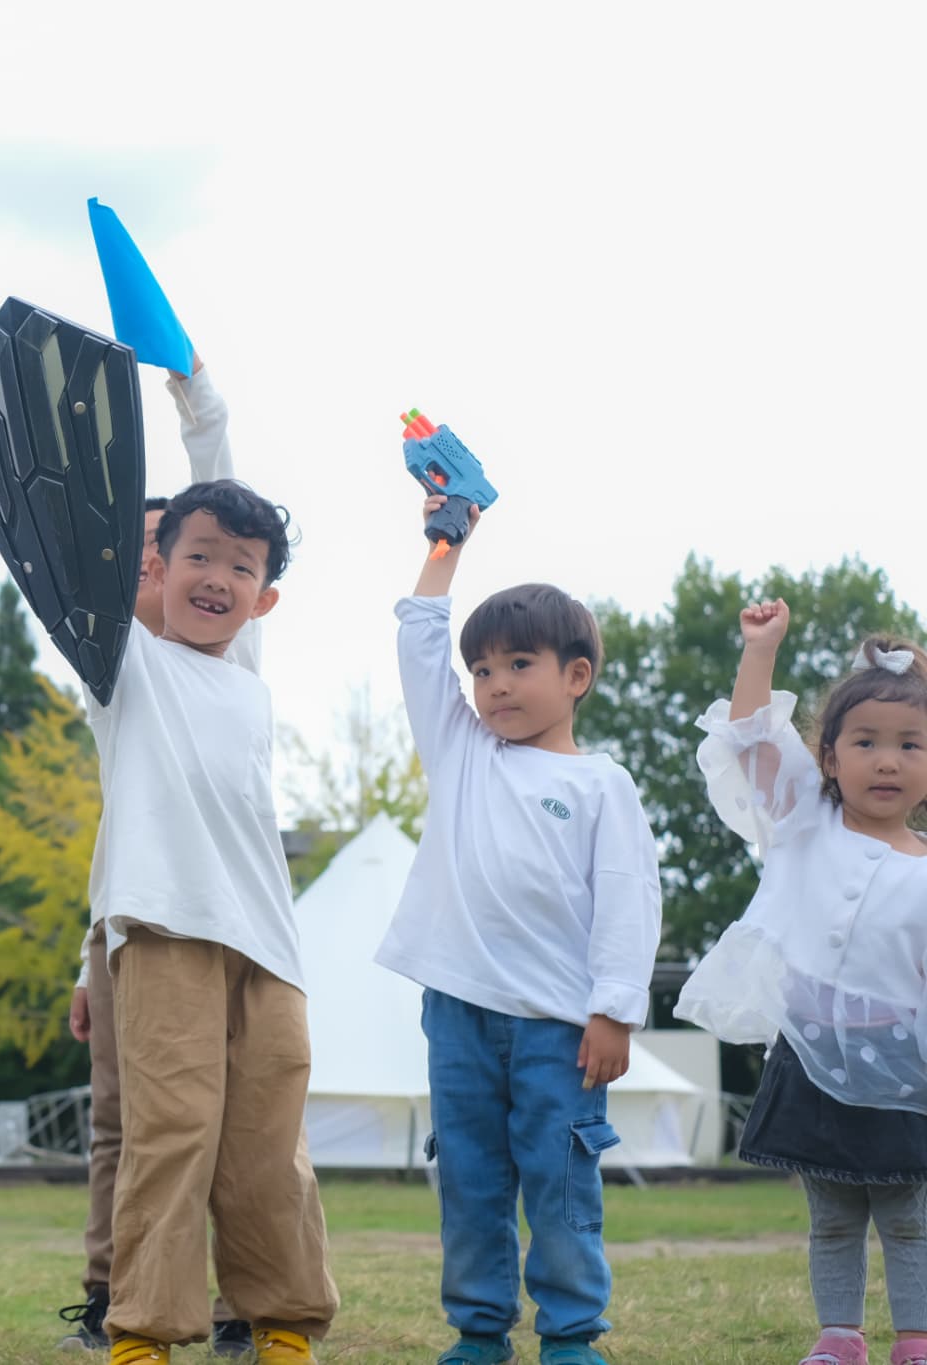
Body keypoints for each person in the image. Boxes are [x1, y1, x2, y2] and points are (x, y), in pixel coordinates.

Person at [376, 496, 661, 1365]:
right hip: (457, 1013)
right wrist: (444, 543)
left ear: (576, 676)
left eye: (519, 663)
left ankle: (572, 1336)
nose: (495, 683)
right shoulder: (462, 750)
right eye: (484, 669)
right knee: (469, 1181)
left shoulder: (603, 785)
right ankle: (477, 1332)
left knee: (561, 1180)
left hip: (562, 1029)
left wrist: (614, 1010)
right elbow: (421, 641)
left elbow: (627, 900)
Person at [79, 443, 337, 1363]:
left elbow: (223, 475)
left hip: (269, 941)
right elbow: (88, 547)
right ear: (155, 565)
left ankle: (283, 1321)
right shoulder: (126, 665)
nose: (218, 577)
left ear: (264, 598)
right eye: (198, 555)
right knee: (172, 1132)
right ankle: (145, 1330)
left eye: (242, 566)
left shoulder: (249, 677)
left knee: (270, 1143)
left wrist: (198, 391)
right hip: (163, 928)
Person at [675, 602, 927, 1365]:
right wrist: (761, 651)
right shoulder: (801, 822)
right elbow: (751, 738)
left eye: (910, 745)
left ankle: (916, 1340)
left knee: (910, 1217)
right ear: (827, 757)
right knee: (833, 1214)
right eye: (866, 742)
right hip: (814, 1052)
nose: (887, 760)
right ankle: (840, 1337)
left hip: (903, 1071)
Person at [58, 358, 246, 1358]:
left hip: (236, 931)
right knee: (123, 1124)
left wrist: (194, 399)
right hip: (131, 922)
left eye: (159, 554)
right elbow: (119, 827)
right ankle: (111, 1293)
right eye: (125, 558)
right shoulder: (110, 667)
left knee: (234, 1124)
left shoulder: (230, 661)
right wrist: (88, 951)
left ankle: (240, 1301)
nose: (147, 571)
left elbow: (226, 505)